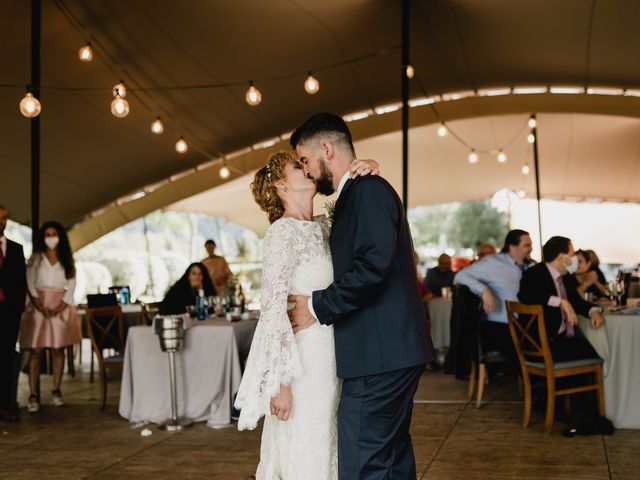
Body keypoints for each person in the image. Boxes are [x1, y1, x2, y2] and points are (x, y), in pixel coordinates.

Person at [287, 113, 434, 479]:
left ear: (326, 149)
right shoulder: (359, 190)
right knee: (390, 460)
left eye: (305, 160)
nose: (305, 171)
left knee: (362, 464)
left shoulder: (367, 191)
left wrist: (317, 307)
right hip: (389, 351)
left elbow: (372, 268)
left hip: (378, 356)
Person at [235, 149, 380, 480]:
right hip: (303, 361)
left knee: (329, 440)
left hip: (334, 353)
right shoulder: (282, 233)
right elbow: (272, 309)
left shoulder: (323, 227)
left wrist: (370, 169)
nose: (307, 169)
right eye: (297, 167)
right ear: (280, 185)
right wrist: (280, 383)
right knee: (305, 441)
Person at [20, 221, 82, 413]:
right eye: (47, 234)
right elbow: (29, 282)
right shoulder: (36, 258)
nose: (51, 238)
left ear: (60, 236)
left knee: (58, 350)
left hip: (60, 306)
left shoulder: (67, 259)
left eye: (54, 234)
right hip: (38, 306)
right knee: (36, 351)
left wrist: (61, 305)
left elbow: (71, 283)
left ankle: (56, 390)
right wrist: (39, 305)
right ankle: (33, 394)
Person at [518, 236, 604, 363]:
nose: (575, 259)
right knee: (599, 352)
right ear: (561, 257)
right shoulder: (534, 273)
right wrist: (560, 302)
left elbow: (577, 302)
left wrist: (594, 311)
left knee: (595, 348)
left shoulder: (566, 277)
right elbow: (526, 295)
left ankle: (572, 382)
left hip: (561, 341)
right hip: (541, 345)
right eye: (572, 254)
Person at [453, 230, 532, 364]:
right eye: (527, 245)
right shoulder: (493, 262)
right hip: (500, 326)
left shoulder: (529, 266)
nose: (531, 249)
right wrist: (484, 290)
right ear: (512, 247)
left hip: (524, 323)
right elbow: (460, 276)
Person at [0, 205, 27, 422]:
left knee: (8, 358)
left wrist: (17, 308)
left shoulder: (16, 249)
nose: (3, 221)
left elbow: (21, 283)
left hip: (9, 314)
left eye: (5, 218)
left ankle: (6, 404)